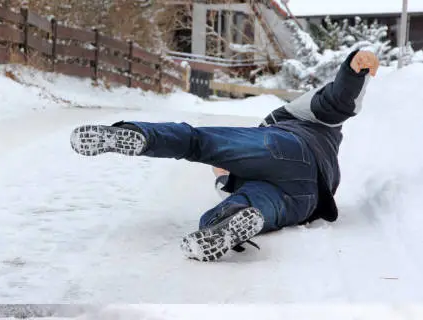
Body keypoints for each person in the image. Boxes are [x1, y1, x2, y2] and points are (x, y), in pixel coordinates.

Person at [69, 50, 379, 262]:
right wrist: (223, 177)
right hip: (306, 197)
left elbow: (335, 101)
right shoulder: (289, 140)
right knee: (250, 204)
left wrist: (354, 69)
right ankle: (223, 227)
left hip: (289, 149)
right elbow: (227, 181)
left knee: (197, 142)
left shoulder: (297, 115)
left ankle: (140, 135)